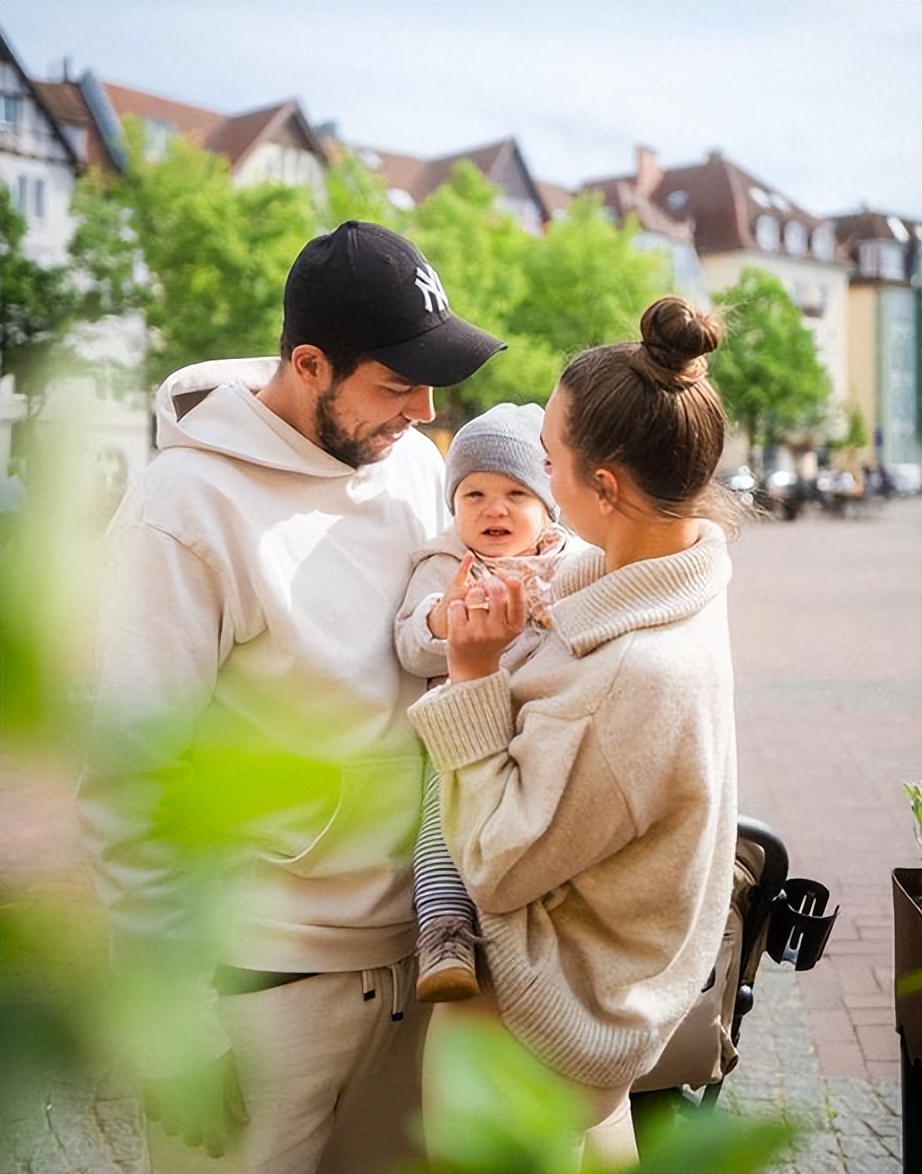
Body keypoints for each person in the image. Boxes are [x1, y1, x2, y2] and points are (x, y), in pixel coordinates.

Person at [77, 220, 506, 1174]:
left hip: (420, 963)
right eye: (396, 386)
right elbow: (130, 776)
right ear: (310, 364)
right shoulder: (180, 511)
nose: (425, 409)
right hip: (260, 989)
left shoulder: (413, 467)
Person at [407, 296, 740, 1170]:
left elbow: (499, 862)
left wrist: (475, 675)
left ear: (605, 486)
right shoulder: (669, 574)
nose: (540, 479)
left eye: (549, 460)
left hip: (537, 1023)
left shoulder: (634, 671)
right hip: (603, 1012)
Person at [394, 402, 575, 1003]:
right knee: (443, 824)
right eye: (473, 494)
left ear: (546, 505)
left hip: (538, 725)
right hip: (461, 727)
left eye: (514, 494)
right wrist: (443, 621)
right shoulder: (445, 563)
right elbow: (409, 647)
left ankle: (533, 940)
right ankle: (444, 935)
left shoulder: (569, 562)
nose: (493, 509)